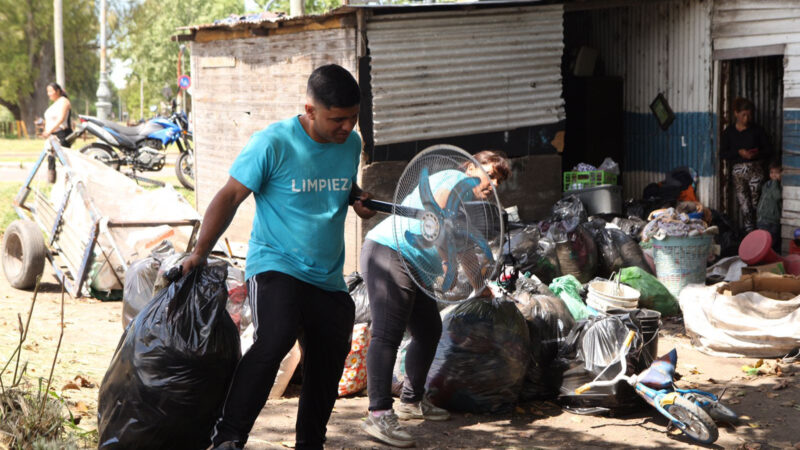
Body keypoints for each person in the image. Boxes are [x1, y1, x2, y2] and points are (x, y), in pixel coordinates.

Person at [180, 64, 376, 450]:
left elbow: (341, 184)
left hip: (327, 275)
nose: (347, 128)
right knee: (275, 338)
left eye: (353, 118)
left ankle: (310, 443)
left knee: (331, 353)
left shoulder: (350, 144)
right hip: (275, 264)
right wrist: (199, 253)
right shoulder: (273, 143)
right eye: (337, 119)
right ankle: (228, 438)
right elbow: (230, 195)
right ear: (309, 110)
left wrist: (357, 199)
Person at [360, 150, 510, 448]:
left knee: (429, 331)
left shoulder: (462, 205)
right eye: (490, 175)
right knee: (387, 334)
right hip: (390, 252)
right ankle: (378, 413)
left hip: (414, 265)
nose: (493, 185)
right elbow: (435, 216)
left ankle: (412, 402)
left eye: (499, 181)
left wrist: (479, 287)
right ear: (470, 168)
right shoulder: (455, 178)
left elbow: (462, 245)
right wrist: (445, 258)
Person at [720, 97, 772, 232]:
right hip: (738, 174)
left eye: (749, 115)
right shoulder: (729, 132)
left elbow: (769, 150)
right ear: (736, 113)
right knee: (744, 205)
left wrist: (755, 154)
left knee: (757, 203)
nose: (747, 118)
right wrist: (739, 153)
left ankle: (761, 231)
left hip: (755, 170)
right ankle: (749, 234)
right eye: (744, 115)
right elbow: (722, 154)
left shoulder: (757, 131)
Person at [757, 160, 782, 252]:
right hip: (762, 219)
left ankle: (769, 262)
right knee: (762, 242)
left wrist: (775, 183)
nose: (774, 175)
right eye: (771, 172)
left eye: (777, 173)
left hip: (772, 221)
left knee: (771, 244)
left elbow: (777, 197)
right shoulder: (767, 184)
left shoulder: (779, 186)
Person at [42, 82, 73, 147]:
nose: (48, 94)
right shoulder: (55, 103)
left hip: (61, 135)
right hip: (52, 135)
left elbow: (61, 119)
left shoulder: (64, 101)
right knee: (50, 156)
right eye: (47, 91)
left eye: (50, 91)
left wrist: (49, 131)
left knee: (62, 156)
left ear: (58, 91)